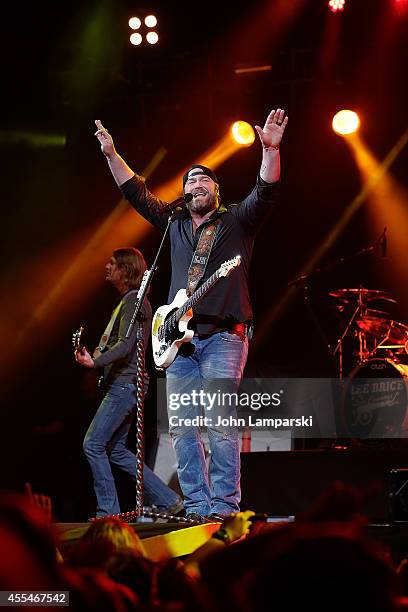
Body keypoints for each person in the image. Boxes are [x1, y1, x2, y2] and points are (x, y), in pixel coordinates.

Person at [94, 109, 288, 521]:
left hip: (223, 336)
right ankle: (198, 506)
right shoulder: (173, 222)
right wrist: (112, 154)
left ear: (216, 190)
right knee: (182, 429)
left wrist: (269, 150)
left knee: (219, 425)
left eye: (203, 180)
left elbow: (266, 190)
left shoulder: (236, 220)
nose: (196, 185)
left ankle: (224, 508)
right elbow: (135, 192)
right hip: (177, 342)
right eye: (190, 181)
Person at [75, 247, 183, 517]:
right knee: (115, 451)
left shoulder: (135, 302)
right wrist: (96, 357)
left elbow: (125, 345)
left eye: (112, 263)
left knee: (93, 444)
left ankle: (107, 513)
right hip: (124, 384)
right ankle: (169, 499)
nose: (107, 267)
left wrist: (94, 362)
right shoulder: (128, 302)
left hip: (126, 384)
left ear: (125, 270)